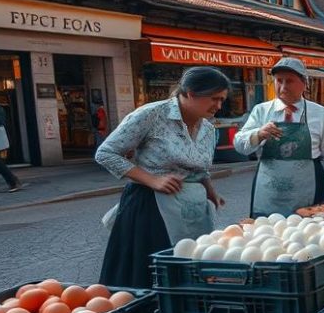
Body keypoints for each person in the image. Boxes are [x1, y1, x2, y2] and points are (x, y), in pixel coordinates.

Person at [96, 68, 229, 287]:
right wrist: (152, 180)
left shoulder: (207, 126)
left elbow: (199, 166)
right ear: (191, 93)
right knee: (155, 273)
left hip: (192, 209)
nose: (219, 106)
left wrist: (209, 189)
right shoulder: (151, 114)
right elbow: (106, 153)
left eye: (222, 100)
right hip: (151, 209)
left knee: (190, 265)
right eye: (214, 99)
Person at [234, 57, 324, 216]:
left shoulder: (319, 113)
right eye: (279, 81)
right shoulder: (261, 111)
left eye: (289, 81)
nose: (283, 86)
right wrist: (258, 134)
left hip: (308, 184)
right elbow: (239, 145)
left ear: (304, 84)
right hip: (270, 189)